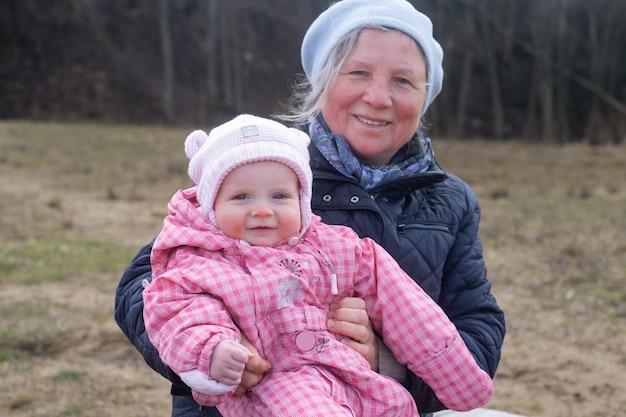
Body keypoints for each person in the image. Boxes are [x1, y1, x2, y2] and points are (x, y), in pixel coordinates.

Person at [115, 0, 508, 416]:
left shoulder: (451, 200)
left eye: (403, 81)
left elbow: (476, 327)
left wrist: (385, 363)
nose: (377, 97)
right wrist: (212, 349)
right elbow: (146, 284)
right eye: (358, 72)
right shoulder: (262, 168)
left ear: (425, 96)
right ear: (323, 81)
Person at [142, 114, 494, 417]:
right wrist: (213, 351)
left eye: (279, 196)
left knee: (397, 406)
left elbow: (407, 308)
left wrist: (458, 376)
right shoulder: (199, 259)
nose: (262, 210)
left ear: (302, 199)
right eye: (241, 197)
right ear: (211, 206)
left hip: (357, 377)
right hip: (279, 387)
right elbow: (177, 311)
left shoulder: (336, 246)